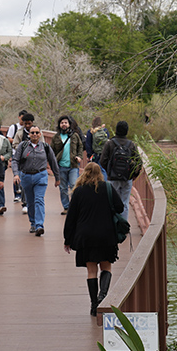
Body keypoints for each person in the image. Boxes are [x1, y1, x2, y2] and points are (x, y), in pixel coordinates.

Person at [63, 163, 125, 315]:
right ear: (99, 173)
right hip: (106, 235)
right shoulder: (108, 188)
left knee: (91, 271)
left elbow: (71, 217)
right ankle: (102, 296)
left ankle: (93, 304)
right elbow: (120, 207)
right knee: (106, 267)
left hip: (86, 236)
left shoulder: (78, 191)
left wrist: (68, 239)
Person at [11, 124, 59, 236]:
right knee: (30, 202)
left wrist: (57, 177)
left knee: (39, 200)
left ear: (40, 134)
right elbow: (15, 160)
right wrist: (16, 174)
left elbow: (53, 162)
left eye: (37, 132)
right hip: (26, 176)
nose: (35, 135)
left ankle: (39, 225)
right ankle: (33, 222)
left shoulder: (45, 147)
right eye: (32, 132)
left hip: (40, 176)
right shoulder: (23, 146)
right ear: (29, 134)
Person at [99, 120, 142, 222]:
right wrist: (134, 175)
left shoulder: (109, 144)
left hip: (113, 178)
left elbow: (102, 160)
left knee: (112, 202)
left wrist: (109, 172)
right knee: (125, 203)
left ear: (116, 130)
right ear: (126, 131)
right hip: (127, 178)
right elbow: (139, 162)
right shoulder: (131, 145)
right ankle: (124, 226)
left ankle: (113, 225)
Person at [51, 114, 83, 215]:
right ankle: (66, 207)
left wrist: (79, 156)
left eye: (65, 123)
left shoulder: (74, 136)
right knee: (63, 188)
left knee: (74, 185)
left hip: (73, 165)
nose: (64, 124)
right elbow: (51, 151)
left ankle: (75, 206)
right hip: (60, 166)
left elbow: (80, 147)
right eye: (62, 123)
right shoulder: (56, 137)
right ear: (59, 125)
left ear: (69, 124)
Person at [7, 110, 27, 202]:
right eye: (22, 118)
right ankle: (17, 193)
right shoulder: (14, 127)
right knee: (17, 174)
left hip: (26, 155)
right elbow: (9, 138)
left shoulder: (29, 129)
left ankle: (24, 193)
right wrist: (18, 143)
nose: (23, 120)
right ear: (19, 117)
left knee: (24, 174)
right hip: (16, 153)